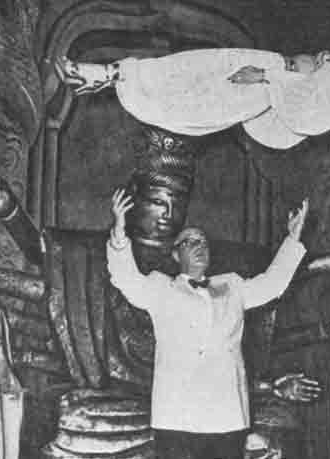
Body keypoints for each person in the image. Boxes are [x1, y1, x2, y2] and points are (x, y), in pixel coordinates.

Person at [107, 188, 311, 459]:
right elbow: (125, 278)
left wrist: (293, 237)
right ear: (176, 255)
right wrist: (119, 232)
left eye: (203, 242)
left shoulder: (233, 286)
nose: (199, 246)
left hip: (226, 414)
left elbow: (273, 284)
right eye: (190, 242)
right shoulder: (160, 288)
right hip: (176, 415)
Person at [55, 48, 330, 150]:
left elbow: (299, 115)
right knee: (186, 70)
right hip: (262, 71)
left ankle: (103, 75)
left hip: (258, 84)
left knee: (188, 88)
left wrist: (265, 76)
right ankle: (105, 74)